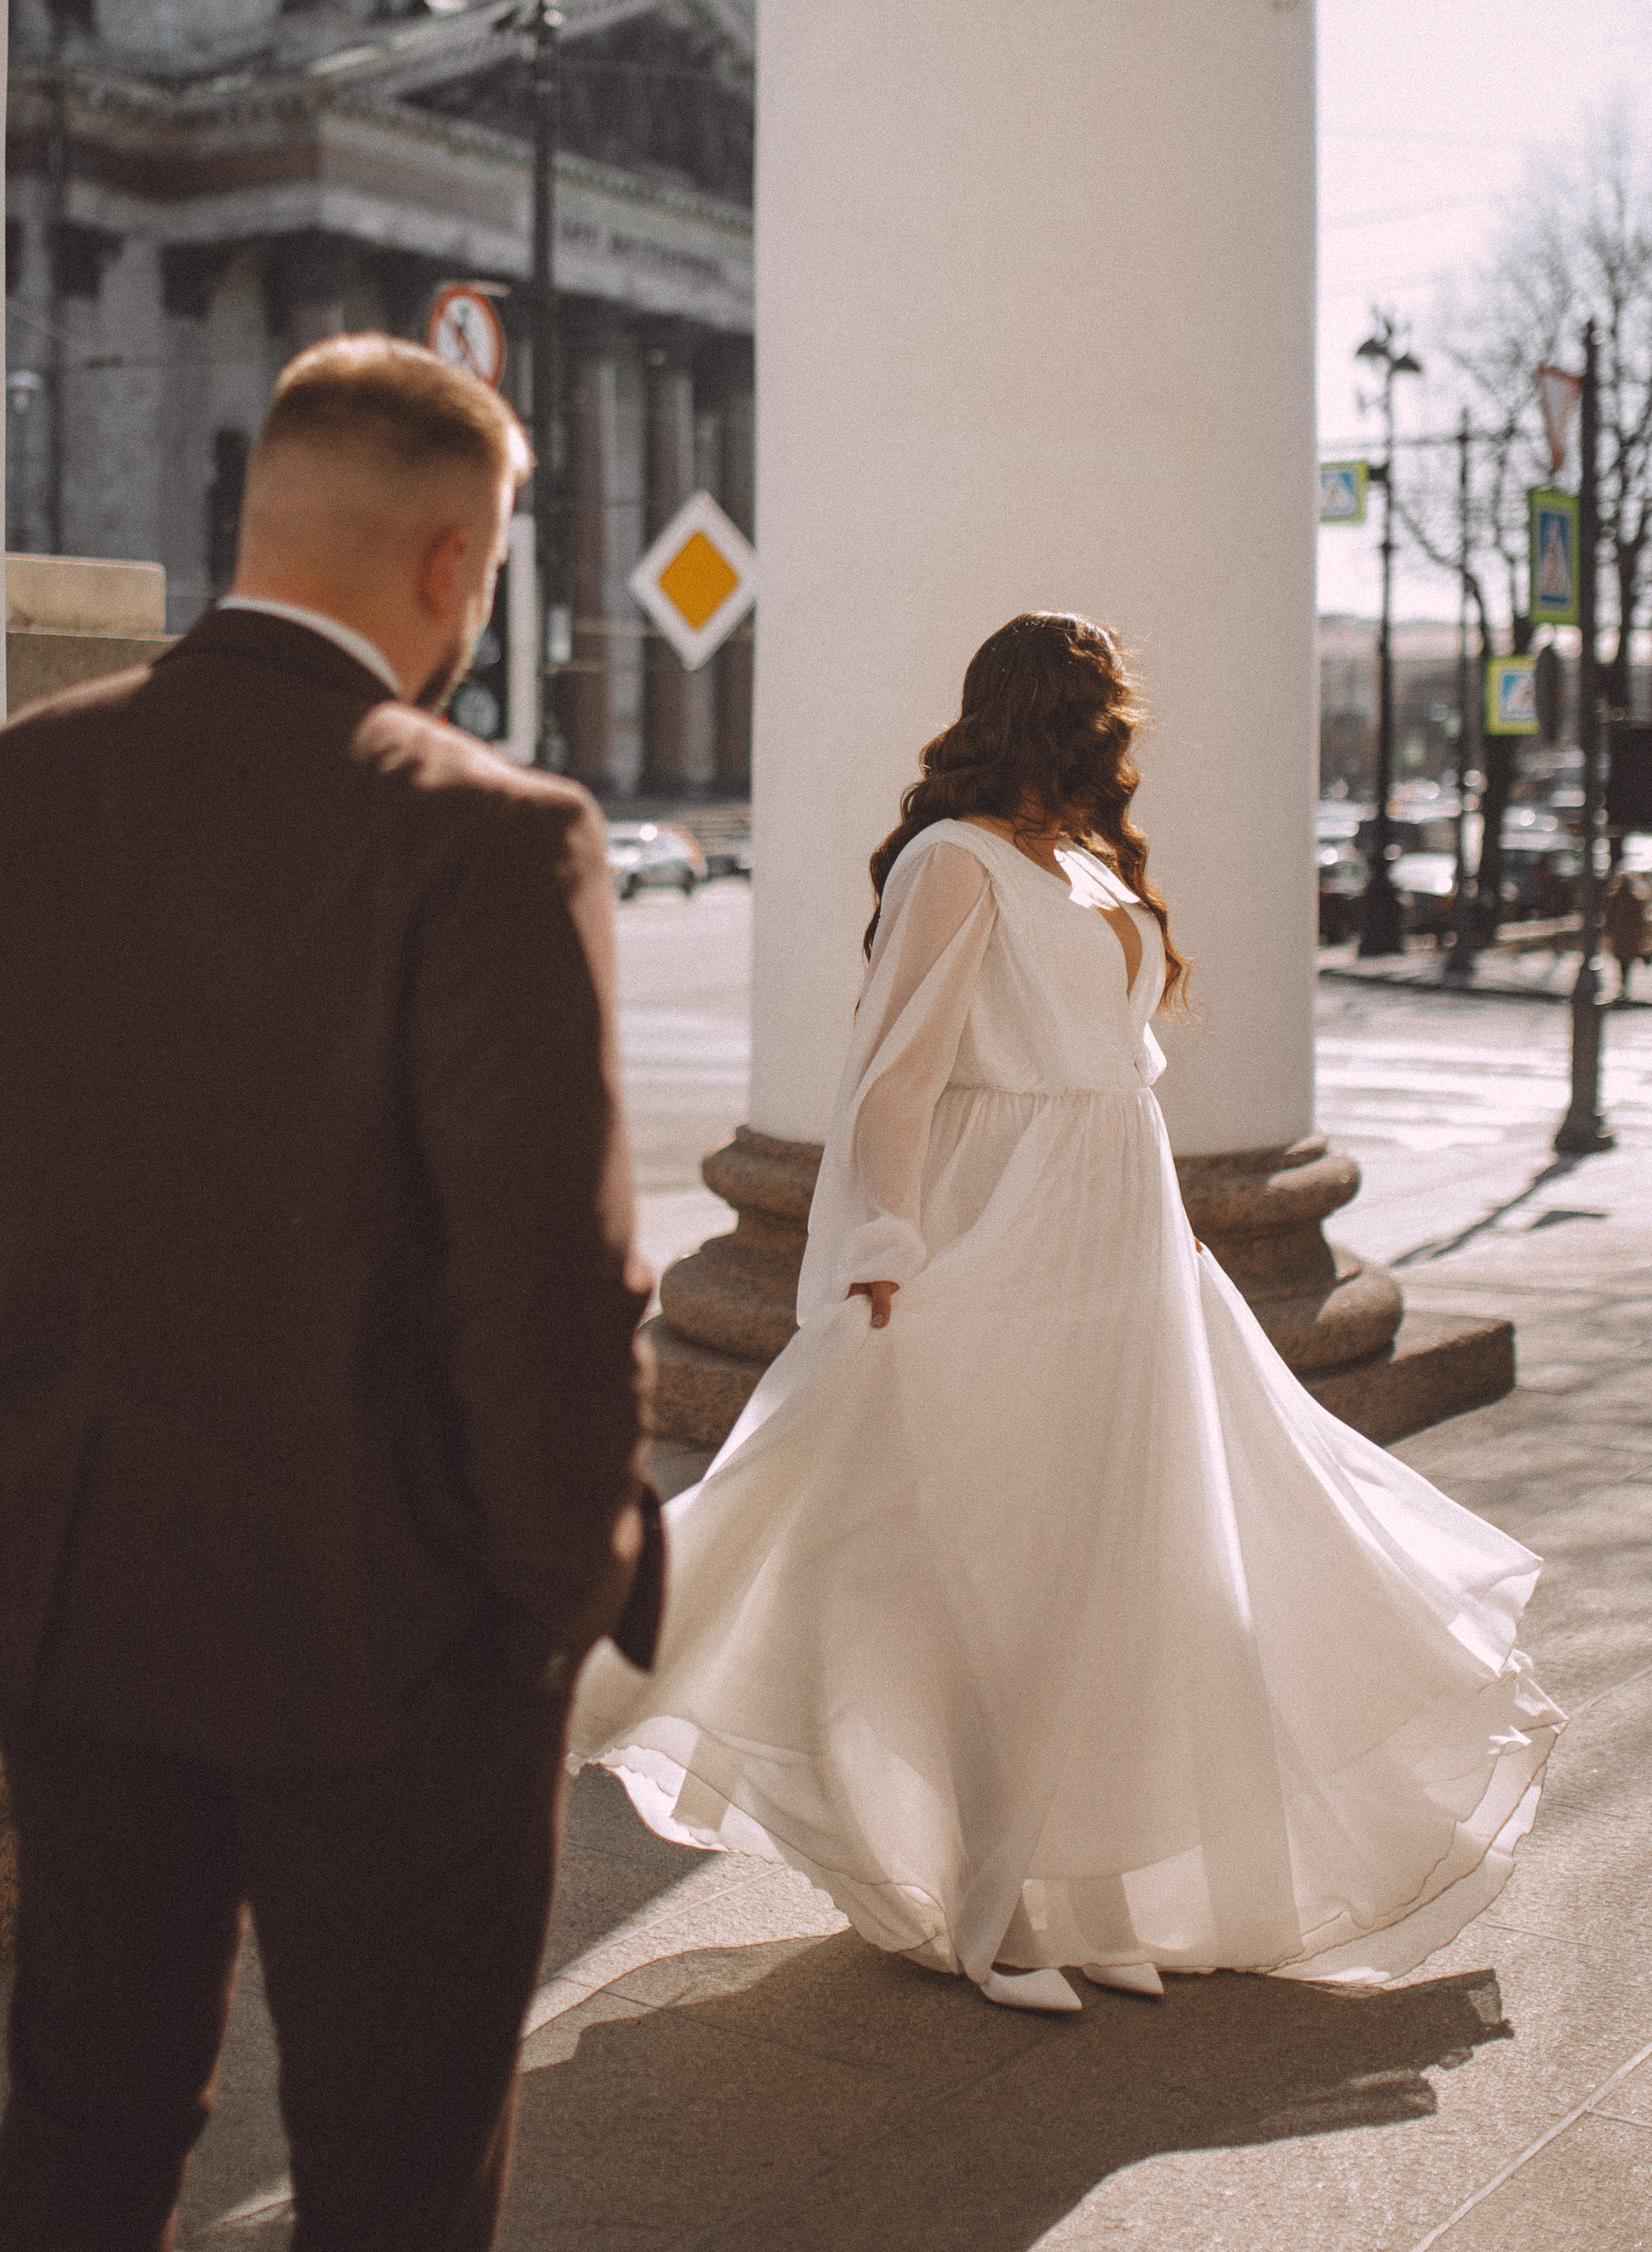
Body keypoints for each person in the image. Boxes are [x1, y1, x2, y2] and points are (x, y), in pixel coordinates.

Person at [0, 336, 662, 2252]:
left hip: (79, 1595)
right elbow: (545, 1288)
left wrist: (18, 1475)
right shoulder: (485, 831)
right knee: (393, 2168)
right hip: (401, 1639)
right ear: (454, 566)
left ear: (252, 522)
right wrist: (546, 1598)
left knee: (89, 2112)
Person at [573, 611, 1559, 2012]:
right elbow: (894, 1078)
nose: (1122, 731)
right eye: (1102, 706)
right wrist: (883, 1247)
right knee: (1006, 1565)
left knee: (1127, 1563)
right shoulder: (951, 860)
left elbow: (1114, 1058)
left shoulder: (1088, 860)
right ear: (1046, 711)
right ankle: (999, 1910)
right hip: (1002, 1230)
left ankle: (1091, 1902)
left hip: (1125, 1235)